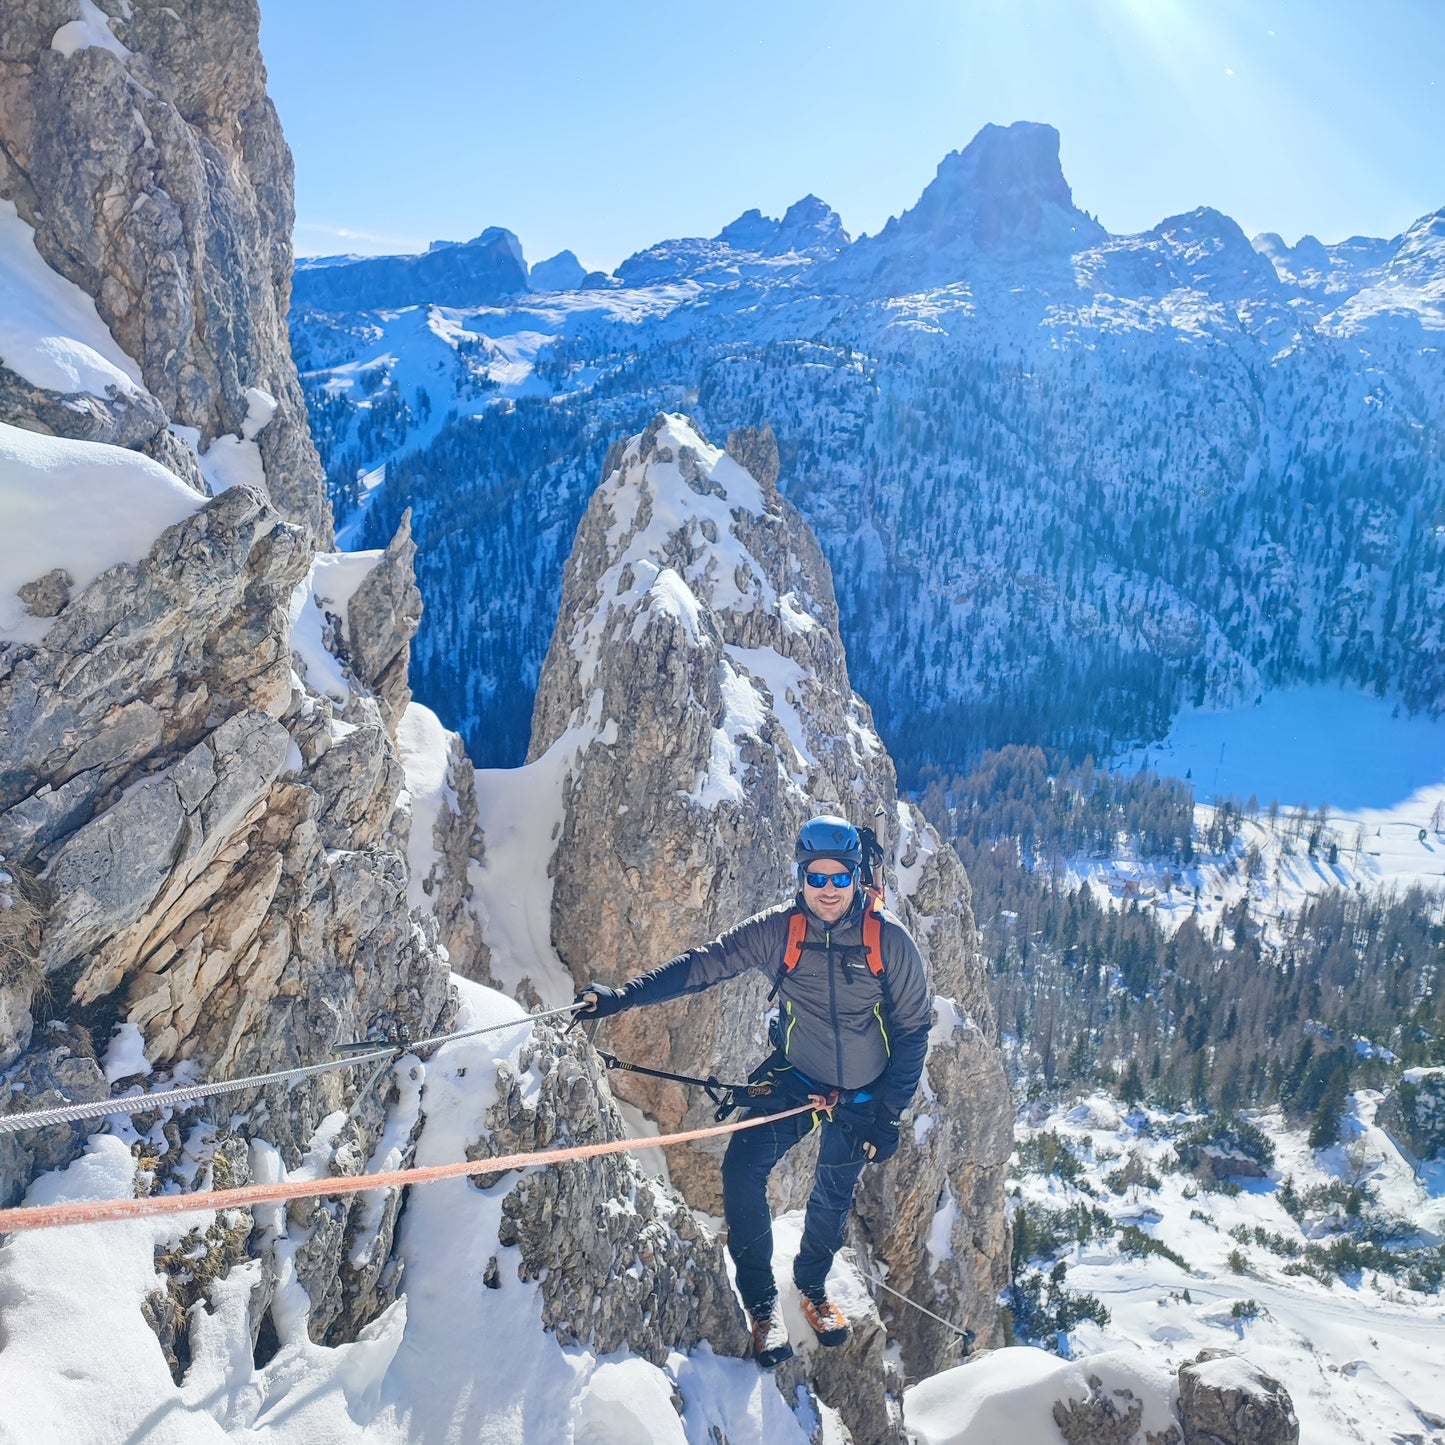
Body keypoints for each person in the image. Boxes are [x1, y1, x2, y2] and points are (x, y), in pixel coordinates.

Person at [575, 814, 932, 1368]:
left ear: (859, 879)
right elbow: (704, 965)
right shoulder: (780, 930)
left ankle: (811, 1287)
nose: (829, 891)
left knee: (833, 1195)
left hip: (865, 1092)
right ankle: (763, 1306)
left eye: (841, 878)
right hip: (801, 1074)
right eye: (818, 878)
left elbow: (913, 1030)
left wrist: (888, 1114)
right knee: (742, 1168)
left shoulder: (889, 942)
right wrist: (623, 997)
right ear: (801, 877)